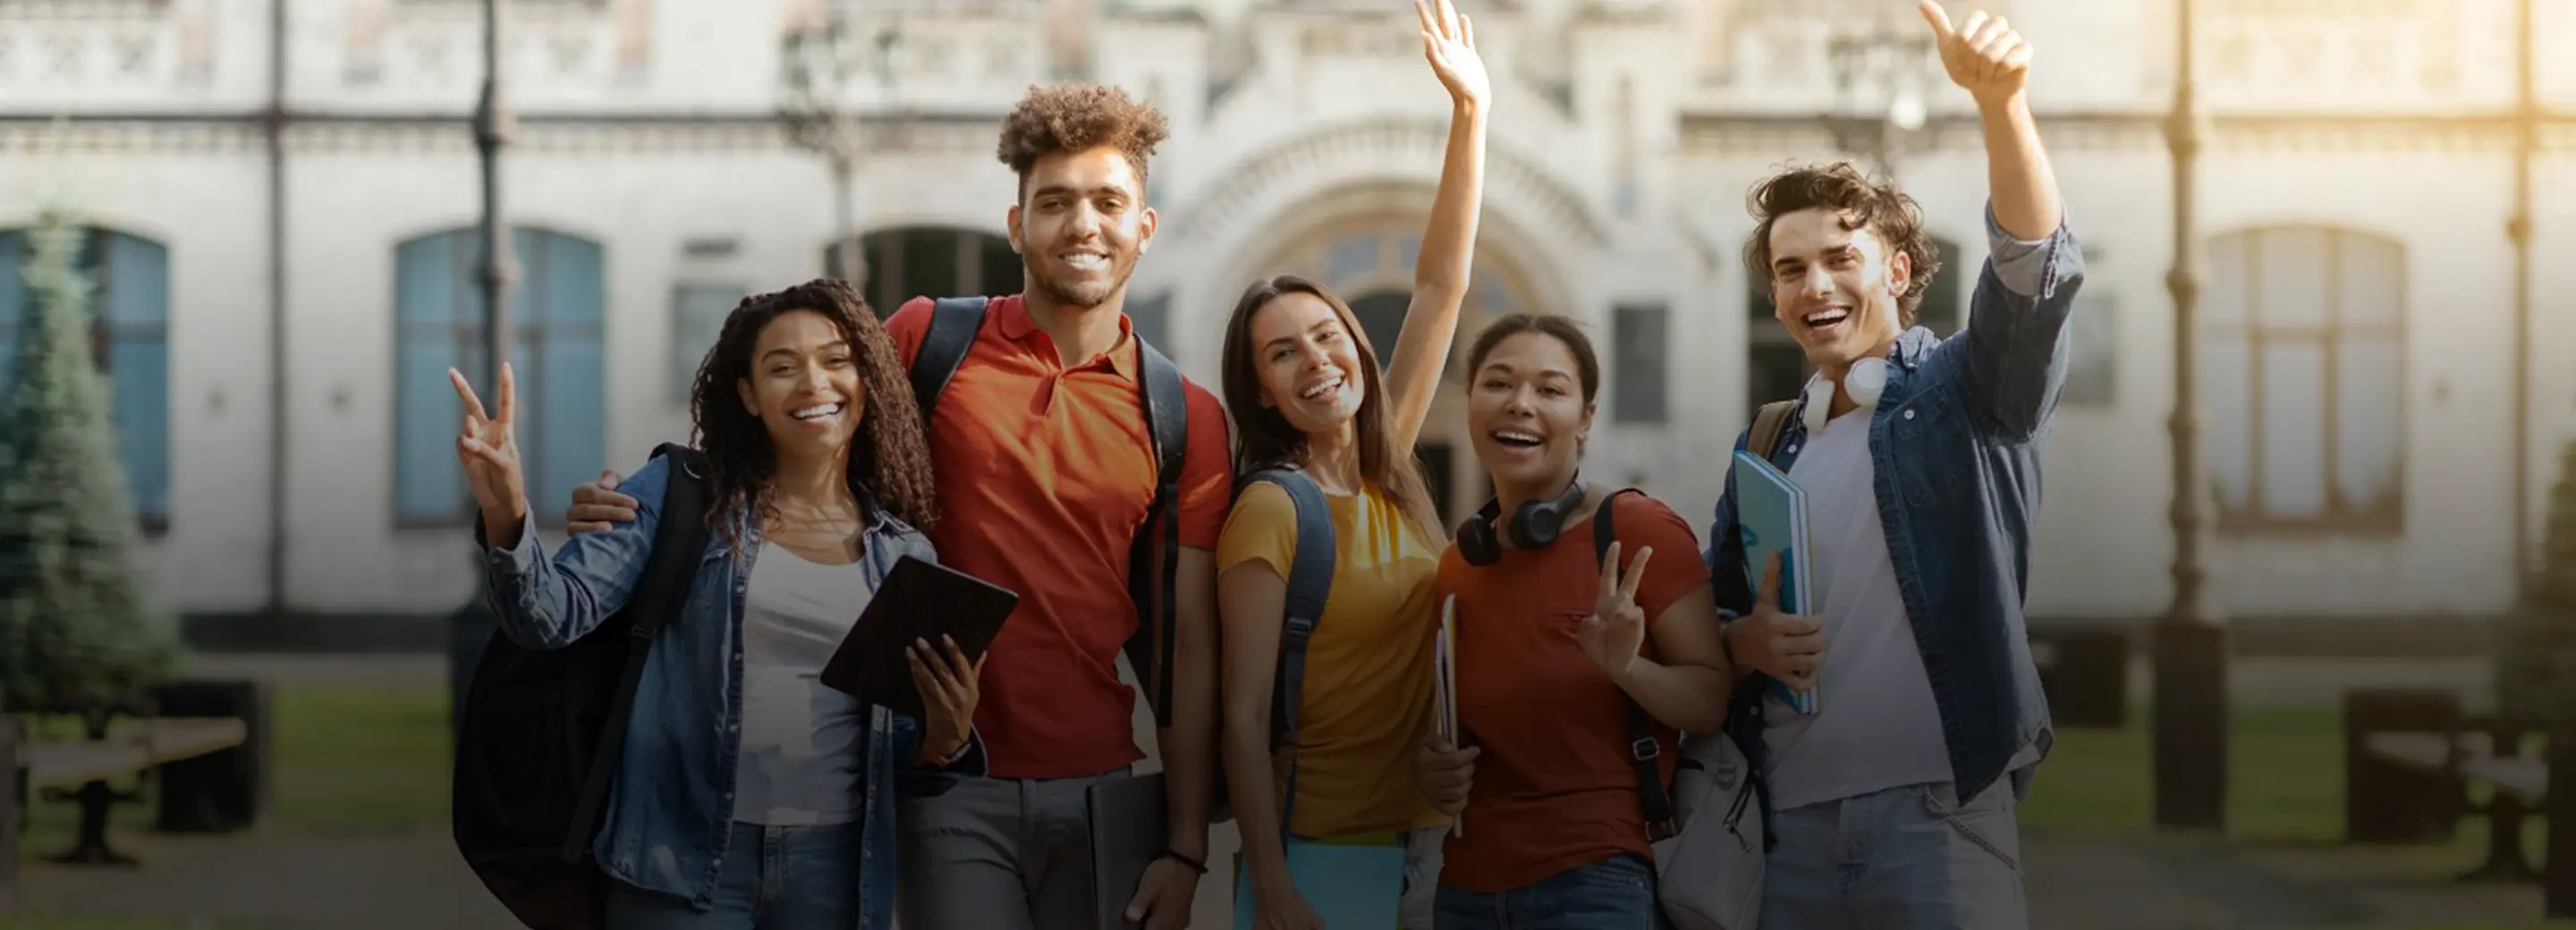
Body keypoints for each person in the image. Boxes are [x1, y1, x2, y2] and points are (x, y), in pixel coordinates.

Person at [559, 86, 1233, 929]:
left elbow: (1191, 650)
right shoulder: (929, 340)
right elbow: (800, 428)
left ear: (1146, 226)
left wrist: (1185, 848)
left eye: (1108, 202)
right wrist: (655, 503)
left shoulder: (1186, 414)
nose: (1083, 225)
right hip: (933, 779)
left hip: (1101, 787)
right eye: (1054, 203)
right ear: (1017, 226)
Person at [1705, 4, 2085, 927]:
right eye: (1791, 270)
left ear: (1901, 267)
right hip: (1785, 830)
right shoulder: (1765, 445)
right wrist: (1740, 644)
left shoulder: (1962, 393)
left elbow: (2032, 276)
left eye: (1841, 257)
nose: (1816, 285)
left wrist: (2003, 106)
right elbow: (1710, 632)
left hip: (1937, 817)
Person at [450, 279, 988, 930]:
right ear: (748, 396)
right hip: (678, 862)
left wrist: (947, 739)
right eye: (782, 368)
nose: (814, 383)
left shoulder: (906, 559)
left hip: (838, 869)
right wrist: (506, 506)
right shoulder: (683, 499)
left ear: (867, 380)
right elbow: (547, 615)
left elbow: (900, 756)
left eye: (836, 360)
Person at [1213, 3, 1487, 927]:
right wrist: (1276, 884)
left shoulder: (1387, 465)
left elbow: (1442, 283)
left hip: (1428, 843)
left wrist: (1471, 114)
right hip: (1320, 854)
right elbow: (1244, 719)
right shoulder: (1273, 511)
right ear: (1260, 392)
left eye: (1327, 334)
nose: (1316, 359)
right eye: (1282, 352)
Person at [1411, 313, 1733, 930]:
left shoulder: (1638, 531)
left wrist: (1629, 670)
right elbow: (1454, 733)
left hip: (1597, 884)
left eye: (1550, 390)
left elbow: (1710, 700)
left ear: (1586, 417)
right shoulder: (1457, 566)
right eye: (1498, 384)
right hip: (1464, 890)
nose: (1520, 406)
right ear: (1471, 399)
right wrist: (1431, 768)